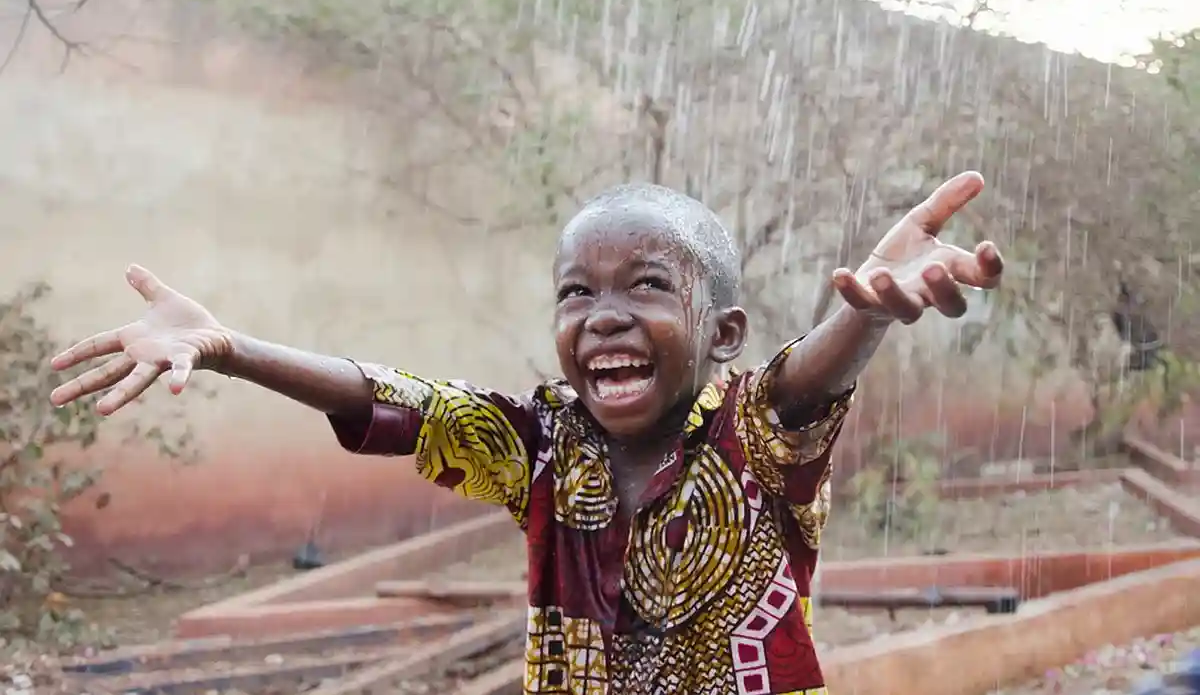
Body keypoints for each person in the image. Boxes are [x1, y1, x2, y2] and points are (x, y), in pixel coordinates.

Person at [50, 171, 1003, 694]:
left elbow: (806, 380)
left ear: (722, 334)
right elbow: (396, 398)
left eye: (647, 285)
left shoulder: (754, 432)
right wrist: (230, 348)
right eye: (577, 291)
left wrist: (869, 315)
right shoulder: (542, 445)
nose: (605, 314)